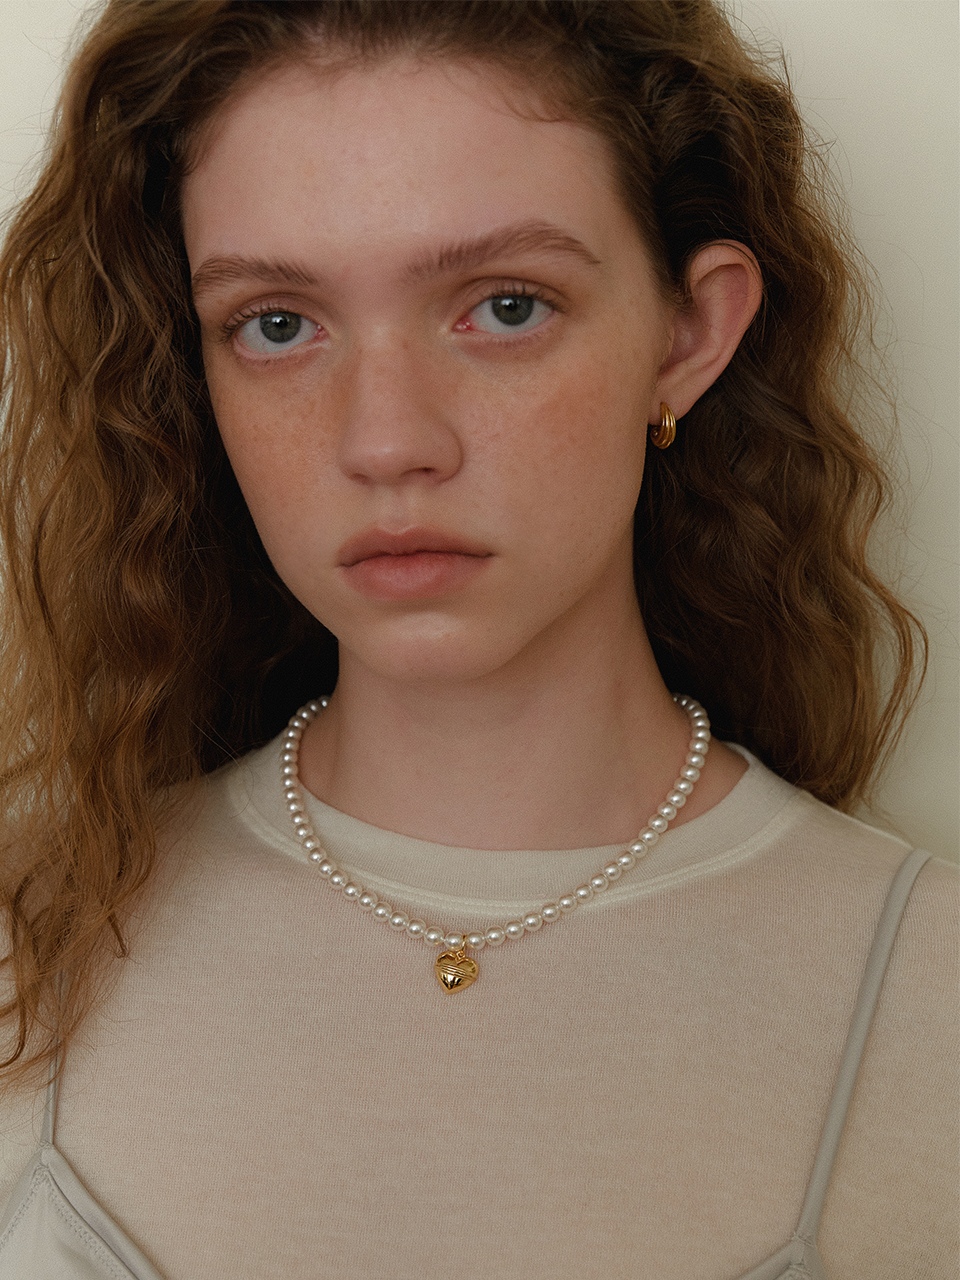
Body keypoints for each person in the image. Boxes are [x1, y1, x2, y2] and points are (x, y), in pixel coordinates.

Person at [0, 1, 954, 1277]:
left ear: (689, 332)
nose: (387, 440)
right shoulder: (28, 946)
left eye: (506, 306)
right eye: (277, 323)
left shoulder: (932, 991)